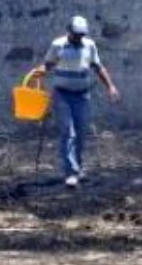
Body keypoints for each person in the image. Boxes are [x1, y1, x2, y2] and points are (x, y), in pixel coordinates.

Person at [28, 15, 120, 188]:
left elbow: (98, 67)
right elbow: (48, 64)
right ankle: (70, 173)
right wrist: (39, 72)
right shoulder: (58, 45)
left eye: (82, 35)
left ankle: (77, 167)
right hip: (62, 95)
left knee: (81, 132)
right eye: (76, 35)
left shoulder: (90, 45)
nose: (79, 38)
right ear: (69, 31)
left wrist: (111, 87)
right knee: (68, 133)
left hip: (82, 95)